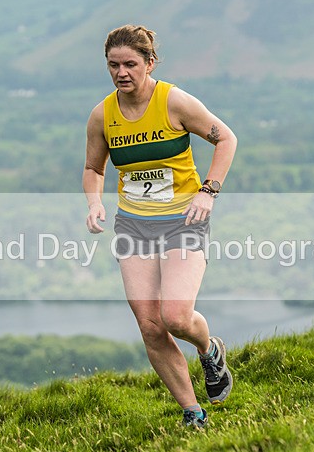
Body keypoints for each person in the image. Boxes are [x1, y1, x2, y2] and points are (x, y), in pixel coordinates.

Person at [83, 24, 237, 428]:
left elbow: (226, 140)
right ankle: (193, 412)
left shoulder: (174, 101)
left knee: (175, 316)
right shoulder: (103, 115)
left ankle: (209, 351)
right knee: (150, 326)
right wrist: (94, 202)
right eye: (113, 65)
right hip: (133, 226)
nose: (121, 72)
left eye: (130, 64)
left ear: (149, 63)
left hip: (184, 219)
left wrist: (209, 190)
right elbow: (92, 167)